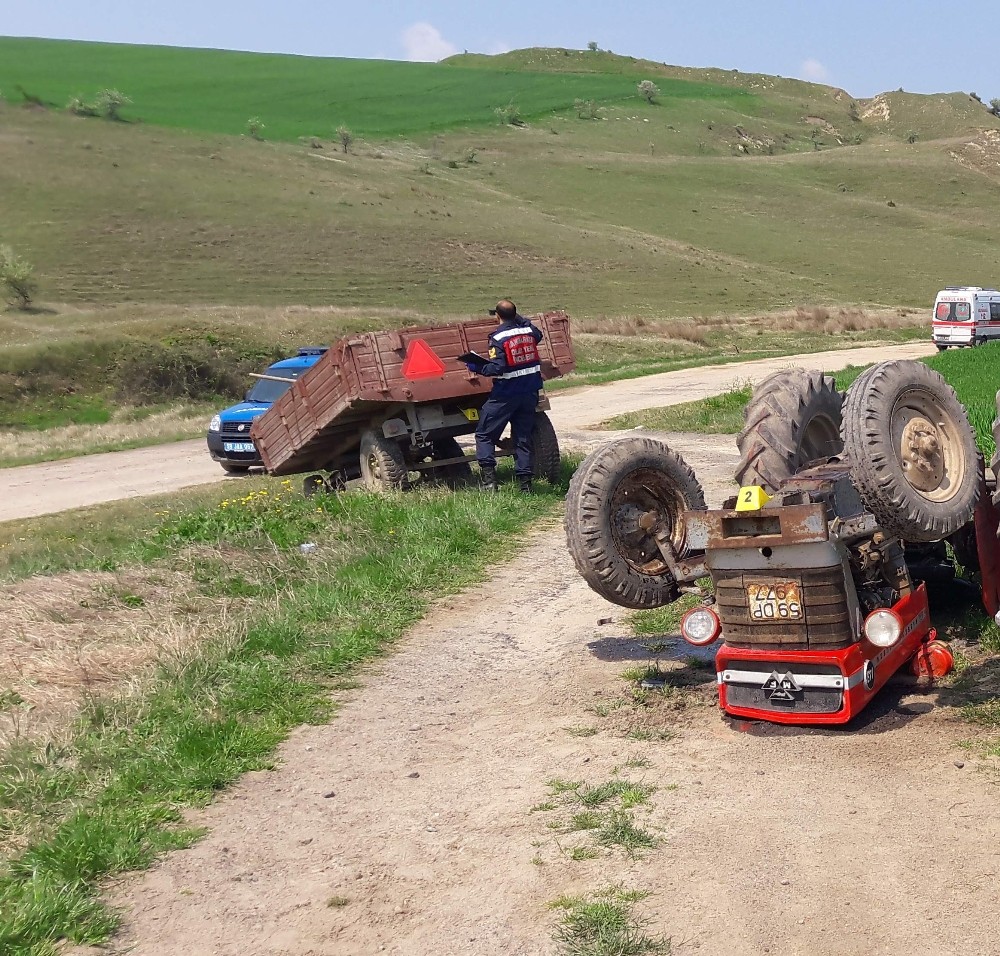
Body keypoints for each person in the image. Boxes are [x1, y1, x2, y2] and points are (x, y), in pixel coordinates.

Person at [465, 299, 544, 492]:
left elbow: (498, 367)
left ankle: (490, 482)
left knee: (484, 434)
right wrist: (518, 317)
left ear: (497, 316)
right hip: (530, 393)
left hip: (506, 395)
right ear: (515, 314)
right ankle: (525, 486)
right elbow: (538, 333)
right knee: (522, 438)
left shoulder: (498, 337)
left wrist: (477, 366)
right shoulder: (529, 332)